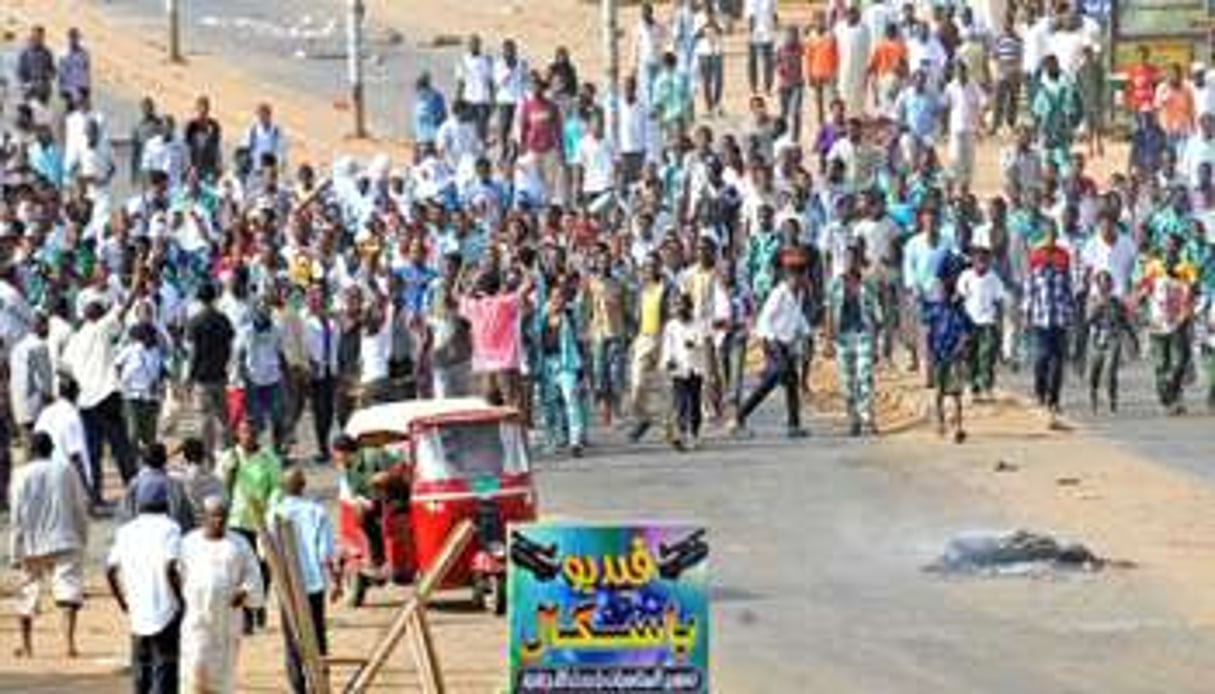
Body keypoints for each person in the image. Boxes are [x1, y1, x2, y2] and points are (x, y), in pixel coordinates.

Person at [9, 432, 90, 658]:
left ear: (31, 451)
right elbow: (80, 505)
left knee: (27, 593)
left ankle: (27, 646)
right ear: (51, 450)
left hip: (32, 543)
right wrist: (82, 536)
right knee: (68, 592)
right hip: (65, 538)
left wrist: (15, 551)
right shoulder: (65, 469)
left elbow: (16, 516)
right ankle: (68, 644)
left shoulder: (20, 474)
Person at [106, 475, 184, 694]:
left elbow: (110, 570)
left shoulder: (126, 531)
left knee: (142, 670)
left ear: (139, 504)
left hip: (137, 611)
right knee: (166, 668)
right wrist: (181, 601)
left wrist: (123, 601)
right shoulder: (171, 528)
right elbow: (171, 568)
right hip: (166, 610)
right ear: (166, 503)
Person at [179, 496, 265, 694]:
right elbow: (177, 574)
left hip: (227, 622)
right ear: (204, 517)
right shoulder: (188, 543)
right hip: (197, 621)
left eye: (223, 516)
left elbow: (253, 575)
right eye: (214, 516)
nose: (219, 521)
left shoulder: (239, 544)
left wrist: (244, 592)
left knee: (223, 677)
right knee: (194, 670)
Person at [269, 468, 339, 694]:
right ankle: (321, 684)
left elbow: (265, 553)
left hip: (287, 585)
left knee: (292, 638)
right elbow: (324, 553)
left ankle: (297, 686)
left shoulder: (274, 513)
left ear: (283, 487)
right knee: (317, 634)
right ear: (303, 486)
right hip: (313, 585)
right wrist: (336, 580)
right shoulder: (316, 512)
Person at [734, 247, 812, 438]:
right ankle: (739, 416)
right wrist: (774, 346)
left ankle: (794, 425)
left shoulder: (799, 294)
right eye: (796, 276)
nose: (800, 280)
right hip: (772, 341)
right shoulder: (779, 293)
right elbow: (764, 320)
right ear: (789, 276)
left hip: (787, 344)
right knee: (774, 378)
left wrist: (807, 332)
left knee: (791, 382)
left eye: (801, 275)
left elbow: (798, 317)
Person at [217, 419, 282, 632]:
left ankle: (259, 607)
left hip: (261, 521)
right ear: (238, 433)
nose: (248, 436)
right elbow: (220, 490)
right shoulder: (229, 458)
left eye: (252, 432)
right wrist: (230, 473)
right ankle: (245, 616)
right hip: (236, 521)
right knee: (240, 569)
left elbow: (277, 488)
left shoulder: (268, 458)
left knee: (264, 568)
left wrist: (269, 509)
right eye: (244, 432)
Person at [824, 241, 882, 436]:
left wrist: (876, 344)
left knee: (864, 377)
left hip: (863, 334)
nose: (849, 262)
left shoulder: (868, 283)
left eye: (853, 259)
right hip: (842, 337)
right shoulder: (835, 283)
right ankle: (853, 418)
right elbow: (829, 311)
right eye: (846, 259)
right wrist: (828, 341)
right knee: (847, 381)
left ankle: (868, 417)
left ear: (859, 261)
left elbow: (876, 314)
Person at [1022, 222, 1076, 427]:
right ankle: (1040, 391)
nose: (1051, 237)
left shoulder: (1063, 255)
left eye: (1054, 234)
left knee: (1057, 362)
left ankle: (1054, 399)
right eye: (1048, 234)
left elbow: (1068, 286)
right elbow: (1030, 288)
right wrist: (1026, 313)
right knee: (1041, 358)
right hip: (1040, 317)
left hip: (1060, 318)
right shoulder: (1035, 256)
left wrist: (1071, 314)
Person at [925, 256, 972, 443]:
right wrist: (929, 356)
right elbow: (928, 335)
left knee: (956, 393)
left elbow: (966, 333)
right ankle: (941, 422)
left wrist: (961, 347)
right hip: (939, 354)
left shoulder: (958, 311)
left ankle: (959, 426)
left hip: (954, 356)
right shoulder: (935, 311)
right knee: (939, 392)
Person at [187, 281, 235, 459]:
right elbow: (230, 346)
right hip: (220, 375)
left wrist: (189, 378)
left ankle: (208, 456)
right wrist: (224, 364)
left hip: (202, 377)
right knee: (224, 417)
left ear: (200, 299)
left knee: (205, 418)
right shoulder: (223, 319)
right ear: (214, 298)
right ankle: (228, 453)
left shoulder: (195, 322)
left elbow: (193, 353)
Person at [957, 245, 1004, 400]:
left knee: (987, 355)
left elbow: (999, 301)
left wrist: (999, 323)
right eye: (978, 259)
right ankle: (973, 387)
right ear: (973, 261)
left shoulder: (993, 278)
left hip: (987, 322)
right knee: (970, 356)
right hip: (970, 322)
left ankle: (987, 386)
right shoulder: (966, 276)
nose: (981, 263)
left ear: (989, 261)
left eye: (985, 260)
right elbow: (960, 298)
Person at [662, 293, 709, 450]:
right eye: (675, 305)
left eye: (681, 305)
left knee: (695, 403)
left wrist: (694, 344)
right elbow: (668, 347)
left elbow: (703, 342)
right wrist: (668, 361)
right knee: (681, 402)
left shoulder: (699, 323)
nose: (678, 309)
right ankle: (681, 434)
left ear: (690, 307)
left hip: (696, 368)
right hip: (679, 370)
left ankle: (694, 433)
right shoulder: (671, 326)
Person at [1085, 270, 1134, 413]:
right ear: (1098, 285)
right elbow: (1087, 321)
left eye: (1107, 282)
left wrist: (1133, 339)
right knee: (1095, 372)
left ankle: (1113, 401)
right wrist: (1098, 308)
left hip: (1114, 338)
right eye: (1102, 282)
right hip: (1097, 340)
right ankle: (1093, 397)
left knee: (1111, 371)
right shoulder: (1092, 300)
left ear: (1111, 285)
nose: (1104, 285)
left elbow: (1125, 322)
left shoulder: (1117, 302)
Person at [120, 443, 196, 532]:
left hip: (139, 534)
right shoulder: (174, 484)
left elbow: (125, 517)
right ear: (165, 460)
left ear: (143, 461)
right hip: (169, 533)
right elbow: (185, 518)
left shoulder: (135, 484)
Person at [744, 0, 778, 95]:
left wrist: (775, 27)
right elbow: (750, 16)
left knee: (768, 61)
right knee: (752, 61)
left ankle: (768, 87)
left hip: (768, 29)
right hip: (754, 32)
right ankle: (753, 86)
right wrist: (750, 33)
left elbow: (774, 12)